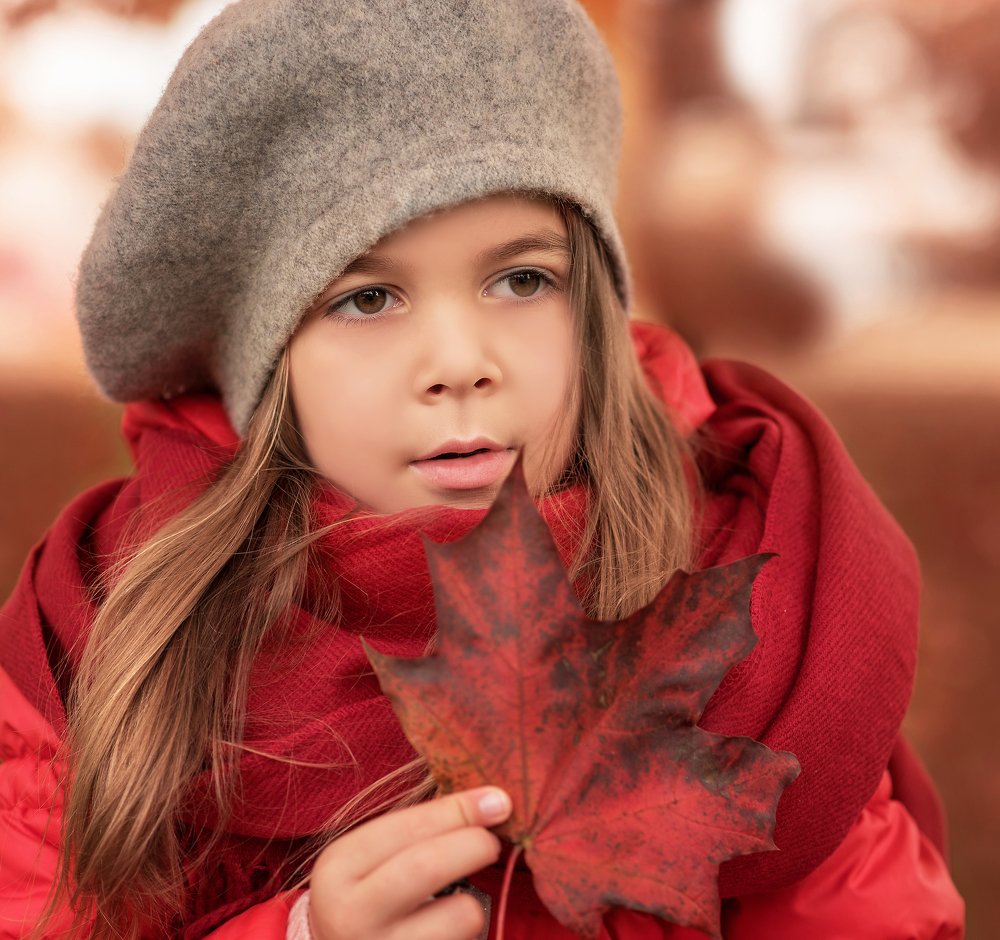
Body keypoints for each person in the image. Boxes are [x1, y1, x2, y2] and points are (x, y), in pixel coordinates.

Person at [0, 1, 965, 938]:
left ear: (591, 309)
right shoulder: (106, 638)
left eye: (521, 280)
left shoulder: (753, 605)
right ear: (268, 366)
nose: (461, 361)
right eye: (369, 297)